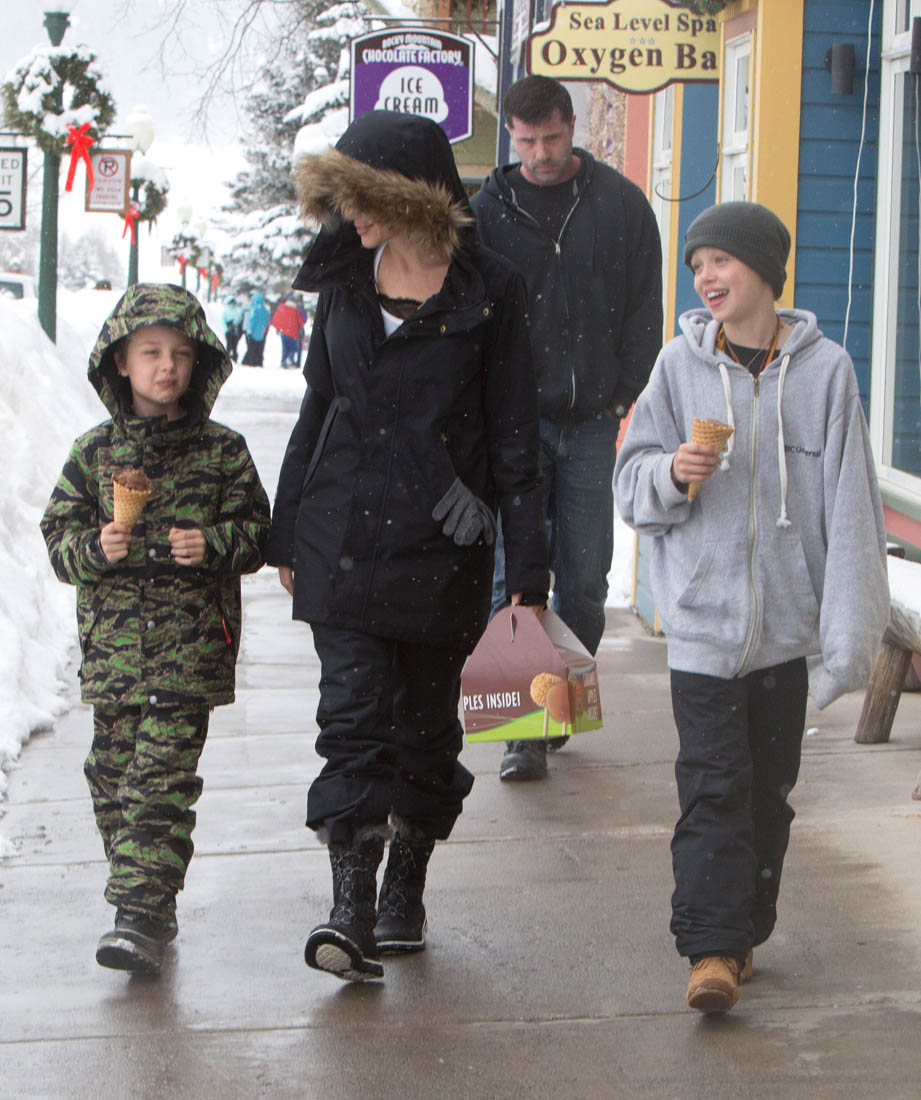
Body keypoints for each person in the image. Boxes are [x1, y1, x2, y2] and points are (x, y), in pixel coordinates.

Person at [266, 110, 549, 983]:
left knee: (424, 732)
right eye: (342, 199)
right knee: (351, 723)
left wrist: (527, 569)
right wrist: (286, 527)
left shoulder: (491, 291)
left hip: (441, 546)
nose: (351, 218)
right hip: (342, 534)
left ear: (413, 199)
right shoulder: (345, 281)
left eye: (364, 199)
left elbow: (514, 434)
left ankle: (404, 892)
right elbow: (319, 405)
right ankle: (349, 908)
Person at [613, 201, 889, 1014]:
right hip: (702, 627)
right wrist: (672, 473)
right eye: (696, 265)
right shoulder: (678, 366)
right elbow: (631, 487)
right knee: (712, 789)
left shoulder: (825, 371)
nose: (705, 276)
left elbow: (849, 508)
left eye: (720, 261)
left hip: (783, 634)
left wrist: (845, 632)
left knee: (767, 794)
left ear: (764, 270)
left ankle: (743, 930)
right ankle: (710, 948)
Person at [40, 283, 270, 976]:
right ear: (120, 362)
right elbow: (57, 538)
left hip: (189, 653)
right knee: (112, 778)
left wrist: (214, 543)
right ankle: (151, 898)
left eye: (180, 354)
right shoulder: (92, 454)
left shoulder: (222, 452)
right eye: (150, 353)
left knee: (159, 783)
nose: (166, 367)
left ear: (199, 364)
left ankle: (137, 915)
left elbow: (258, 533)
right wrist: (94, 548)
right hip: (113, 657)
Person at [471, 75, 663, 782]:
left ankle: (558, 707)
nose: (540, 154)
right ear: (511, 135)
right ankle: (521, 730)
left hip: (588, 425)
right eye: (526, 141)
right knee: (512, 578)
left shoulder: (619, 205)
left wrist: (621, 396)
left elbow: (645, 308)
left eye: (551, 138)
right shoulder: (484, 214)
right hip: (512, 427)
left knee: (584, 580)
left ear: (571, 127)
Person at [270, 295, 305, 367]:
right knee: (293, 349)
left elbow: (276, 318)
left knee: (284, 348)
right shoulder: (296, 310)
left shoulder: (282, 307)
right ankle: (289, 359)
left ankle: (283, 362)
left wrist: (279, 328)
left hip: (283, 332)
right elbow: (301, 322)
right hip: (292, 333)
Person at [242, 290, 270, 366]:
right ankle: (259, 362)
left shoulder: (255, 309)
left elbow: (252, 321)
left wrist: (250, 330)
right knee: (259, 349)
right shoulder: (265, 310)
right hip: (261, 333)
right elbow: (266, 322)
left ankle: (252, 362)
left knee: (252, 349)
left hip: (253, 333)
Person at [222, 294, 243, 361]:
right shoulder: (226, 310)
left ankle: (234, 357)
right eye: (231, 302)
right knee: (229, 344)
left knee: (235, 344)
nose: (232, 304)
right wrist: (226, 330)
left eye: (233, 302)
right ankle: (227, 357)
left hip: (235, 329)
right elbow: (223, 320)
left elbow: (240, 319)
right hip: (228, 329)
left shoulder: (237, 310)